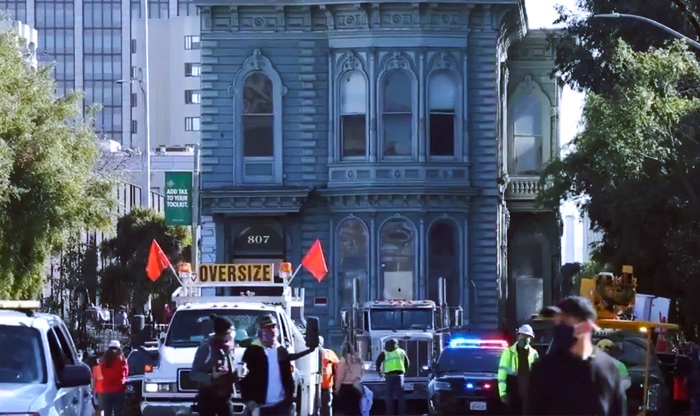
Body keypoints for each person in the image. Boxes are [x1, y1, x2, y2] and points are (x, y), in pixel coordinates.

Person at [529, 296, 627, 416]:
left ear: (586, 326)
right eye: (556, 322)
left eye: (564, 322)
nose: (558, 326)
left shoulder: (610, 371)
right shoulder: (543, 370)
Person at [240, 313, 318, 416]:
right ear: (260, 332)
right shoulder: (252, 352)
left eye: (274, 327)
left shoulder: (282, 351)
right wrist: (248, 400)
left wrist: (289, 400)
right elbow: (244, 379)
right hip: (260, 407)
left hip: (281, 406)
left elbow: (288, 378)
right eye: (267, 328)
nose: (272, 331)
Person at [190, 315, 238, 416]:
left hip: (225, 398)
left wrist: (238, 373)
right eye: (231, 330)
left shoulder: (229, 347)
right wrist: (212, 378)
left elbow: (230, 371)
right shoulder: (206, 348)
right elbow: (194, 374)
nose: (233, 333)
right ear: (223, 333)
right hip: (207, 398)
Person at [497, 324, 539, 415]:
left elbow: (538, 375)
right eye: (523, 335)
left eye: (528, 337)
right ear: (518, 335)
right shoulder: (508, 352)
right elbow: (502, 375)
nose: (525, 338)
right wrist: (503, 393)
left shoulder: (534, 353)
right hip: (514, 389)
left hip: (528, 391)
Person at [375, 339, 409, 416]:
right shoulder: (401, 352)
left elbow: (378, 363)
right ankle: (401, 413)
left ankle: (389, 413)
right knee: (400, 397)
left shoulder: (384, 353)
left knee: (389, 396)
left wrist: (380, 373)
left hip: (389, 376)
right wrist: (406, 372)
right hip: (399, 376)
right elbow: (407, 363)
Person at [100, 340, 129, 416]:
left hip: (107, 390)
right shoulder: (122, 360)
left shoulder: (104, 360)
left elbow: (103, 373)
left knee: (107, 412)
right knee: (118, 412)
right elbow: (125, 374)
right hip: (119, 391)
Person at [335, 342, 364, 416]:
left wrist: (337, 388)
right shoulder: (358, 359)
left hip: (346, 388)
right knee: (357, 410)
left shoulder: (344, 360)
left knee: (348, 411)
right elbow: (362, 373)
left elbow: (340, 376)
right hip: (357, 387)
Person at [319, 336, 339, 416]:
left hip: (326, 387)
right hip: (316, 386)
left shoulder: (328, 353)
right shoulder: (311, 354)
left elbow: (337, 366)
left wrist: (337, 381)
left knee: (326, 406)